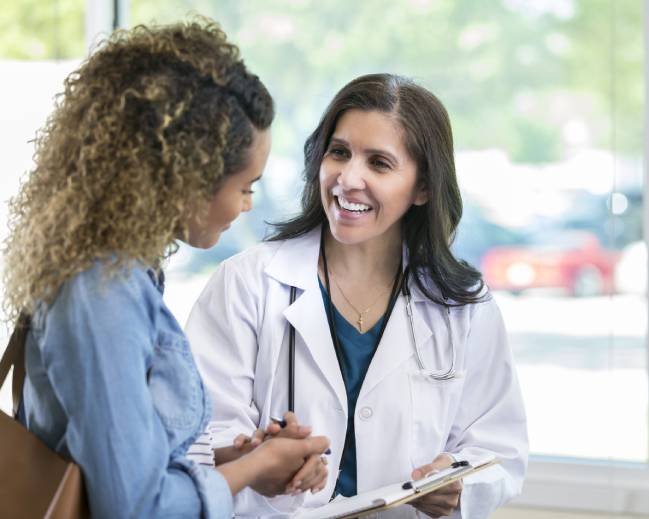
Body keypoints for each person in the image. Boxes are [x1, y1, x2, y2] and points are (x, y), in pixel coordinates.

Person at [1, 19, 330, 518]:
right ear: (185, 180)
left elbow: (117, 463)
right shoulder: (101, 295)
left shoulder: (121, 274)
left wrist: (243, 460)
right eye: (245, 186)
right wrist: (249, 470)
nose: (246, 206)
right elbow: (137, 508)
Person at [186, 73, 528, 518]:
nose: (348, 179)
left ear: (423, 187)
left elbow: (499, 446)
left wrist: (459, 481)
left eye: (379, 163)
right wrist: (255, 457)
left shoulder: (462, 305)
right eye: (339, 152)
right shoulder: (247, 283)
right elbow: (198, 437)